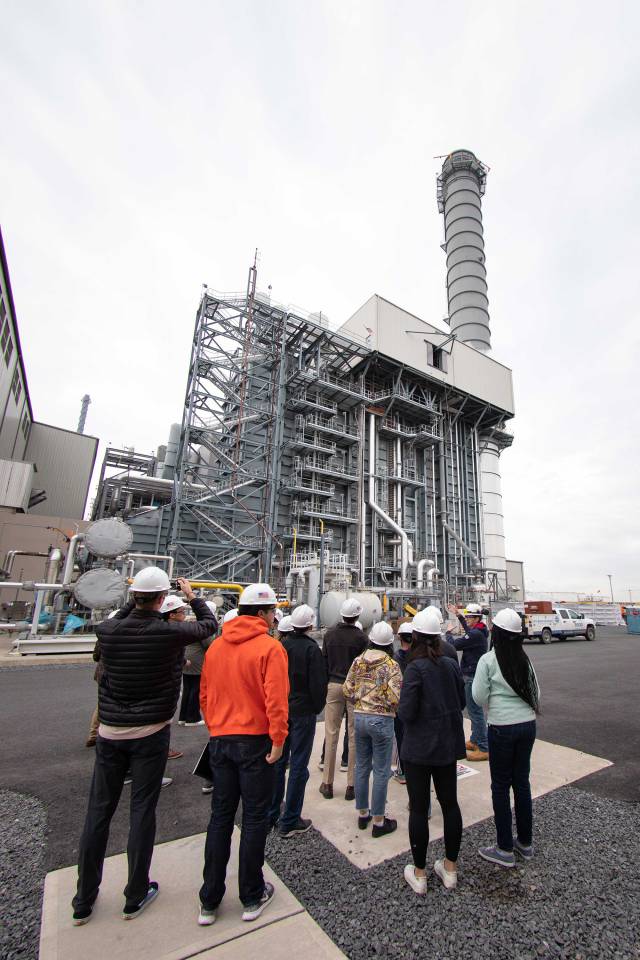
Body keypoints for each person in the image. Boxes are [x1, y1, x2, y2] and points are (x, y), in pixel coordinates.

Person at [72, 571, 216, 926]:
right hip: (150, 732)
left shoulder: (107, 631)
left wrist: (134, 596)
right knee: (142, 810)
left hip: (110, 732)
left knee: (98, 813)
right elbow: (208, 625)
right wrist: (192, 595)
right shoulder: (168, 634)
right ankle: (135, 893)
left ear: (134, 596)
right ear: (161, 600)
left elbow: (122, 619)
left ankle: (83, 899)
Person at [198, 582, 289, 926]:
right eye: (273, 611)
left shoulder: (216, 647)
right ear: (264, 613)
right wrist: (278, 740)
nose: (275, 617)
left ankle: (209, 900)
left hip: (220, 740)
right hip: (255, 743)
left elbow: (204, 696)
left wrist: (216, 727)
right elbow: (276, 701)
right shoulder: (270, 648)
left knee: (220, 818)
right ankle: (251, 895)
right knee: (253, 818)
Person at [398, 608, 466, 894]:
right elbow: (461, 701)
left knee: (418, 807)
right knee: (450, 804)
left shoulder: (415, 668)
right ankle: (450, 869)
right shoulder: (450, 664)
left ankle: (420, 873)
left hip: (419, 748)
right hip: (447, 746)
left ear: (415, 636)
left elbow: (406, 711)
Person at [473, 608, 540, 868]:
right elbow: (537, 695)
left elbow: (478, 698)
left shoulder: (488, 660)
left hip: (501, 727)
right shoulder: (526, 660)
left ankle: (503, 848)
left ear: (496, 633)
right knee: (522, 782)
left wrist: (496, 700)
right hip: (528, 726)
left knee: (500, 786)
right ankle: (525, 842)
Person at [269, 604, 327, 837]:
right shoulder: (311, 650)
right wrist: (316, 708)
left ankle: (271, 813)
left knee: (278, 761)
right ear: (310, 625)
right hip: (303, 713)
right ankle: (290, 819)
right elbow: (317, 684)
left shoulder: (280, 646)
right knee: (299, 765)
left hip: (282, 710)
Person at [343, 621, 402, 837]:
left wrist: (360, 700)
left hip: (359, 718)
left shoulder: (358, 661)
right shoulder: (391, 665)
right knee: (381, 770)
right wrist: (382, 701)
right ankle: (378, 821)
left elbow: (347, 688)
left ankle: (362, 813)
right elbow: (395, 697)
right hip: (382, 720)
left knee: (361, 766)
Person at [319, 598, 368, 800]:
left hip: (333, 685)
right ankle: (351, 786)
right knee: (354, 735)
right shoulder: (361, 638)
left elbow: (324, 662)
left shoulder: (329, 635)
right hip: (354, 687)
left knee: (331, 733)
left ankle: (327, 784)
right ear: (357, 616)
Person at [160, 596, 215, 727]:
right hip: (197, 662)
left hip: (186, 659)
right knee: (195, 690)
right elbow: (208, 644)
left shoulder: (186, 625)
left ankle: (183, 717)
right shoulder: (199, 627)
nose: (184, 614)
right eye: (182, 612)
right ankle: (192, 718)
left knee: (187, 689)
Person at [447, 602, 489, 760]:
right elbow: (469, 630)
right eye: (468, 616)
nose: (468, 619)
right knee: (473, 710)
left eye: (470, 616)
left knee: (475, 712)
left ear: (477, 617)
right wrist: (458, 615)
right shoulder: (479, 630)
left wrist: (448, 633)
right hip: (473, 672)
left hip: (471, 675)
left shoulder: (475, 635)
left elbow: (453, 645)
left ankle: (484, 747)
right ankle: (475, 739)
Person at [392, 620, 414, 784]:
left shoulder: (395, 658)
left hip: (400, 703)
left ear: (399, 638)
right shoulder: (420, 657)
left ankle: (403, 771)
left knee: (400, 736)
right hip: (416, 702)